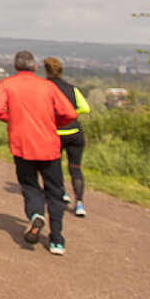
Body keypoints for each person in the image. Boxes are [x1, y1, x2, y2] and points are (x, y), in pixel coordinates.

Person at [0, 50, 78, 255]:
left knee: (30, 186)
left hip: (21, 144)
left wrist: (11, 119)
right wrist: (55, 123)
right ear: (35, 67)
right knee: (54, 192)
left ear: (15, 66)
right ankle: (57, 239)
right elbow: (70, 113)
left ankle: (36, 214)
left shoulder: (7, 85)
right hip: (49, 145)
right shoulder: (48, 86)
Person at [43, 56, 93, 217]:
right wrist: (71, 115)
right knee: (75, 168)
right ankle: (79, 204)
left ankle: (62, 192)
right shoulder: (72, 88)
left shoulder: (45, 88)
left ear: (46, 71)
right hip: (75, 133)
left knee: (55, 165)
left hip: (55, 133)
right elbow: (85, 108)